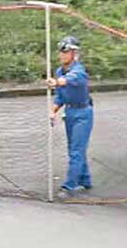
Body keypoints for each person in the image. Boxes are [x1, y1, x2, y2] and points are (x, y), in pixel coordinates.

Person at [46, 36, 93, 198]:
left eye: (65, 51)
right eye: (61, 51)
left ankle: (69, 186)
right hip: (70, 112)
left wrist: (57, 82)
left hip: (83, 114)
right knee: (75, 148)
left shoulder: (79, 71)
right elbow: (60, 97)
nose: (62, 55)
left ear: (74, 53)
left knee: (76, 151)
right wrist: (53, 111)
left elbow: (70, 80)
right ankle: (85, 180)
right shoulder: (59, 71)